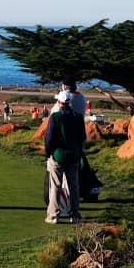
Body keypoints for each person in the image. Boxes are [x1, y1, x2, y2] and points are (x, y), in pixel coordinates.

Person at [44, 91, 87, 223]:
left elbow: (49, 138)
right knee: (74, 187)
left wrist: (48, 153)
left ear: (59, 102)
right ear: (69, 102)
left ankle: (53, 215)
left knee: (56, 186)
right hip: (74, 156)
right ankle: (75, 215)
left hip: (58, 156)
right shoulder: (78, 117)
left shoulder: (55, 117)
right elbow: (83, 138)